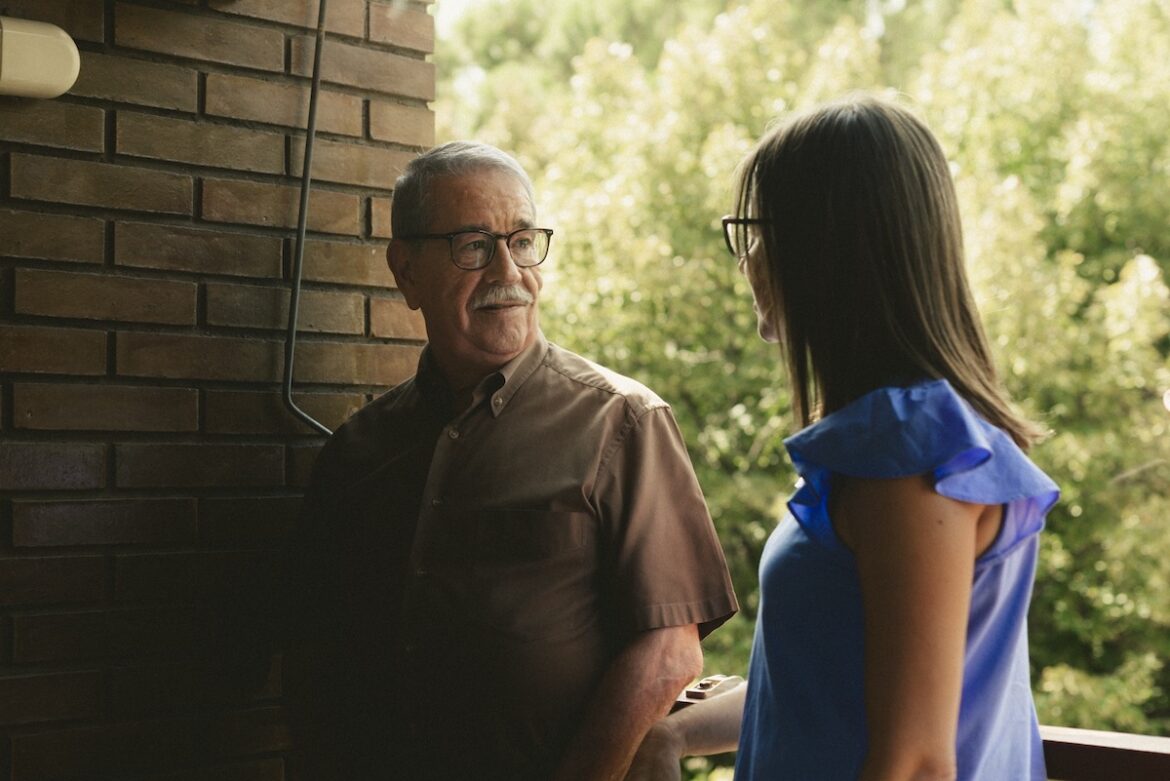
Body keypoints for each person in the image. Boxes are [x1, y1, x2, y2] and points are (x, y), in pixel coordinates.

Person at [626, 94, 1060, 780]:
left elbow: (916, 760)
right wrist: (672, 735)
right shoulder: (900, 445)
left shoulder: (908, 455)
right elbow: (819, 689)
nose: (748, 260)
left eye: (756, 229)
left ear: (824, 245)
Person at [284, 141, 739, 781]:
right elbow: (316, 662)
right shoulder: (356, 453)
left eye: (523, 241)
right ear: (405, 270)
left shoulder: (623, 422)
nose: (508, 270)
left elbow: (668, 652)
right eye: (473, 245)